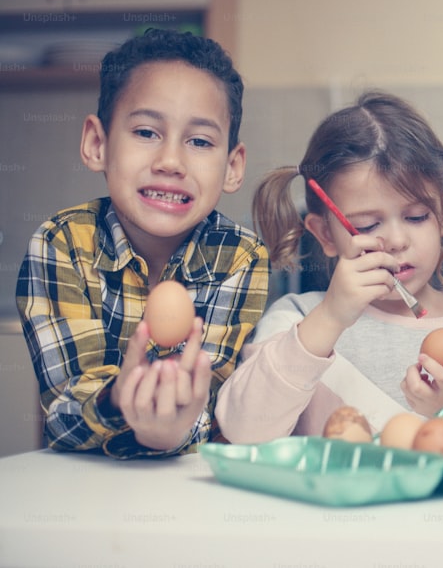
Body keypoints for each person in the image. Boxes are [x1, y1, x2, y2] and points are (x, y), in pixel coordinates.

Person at [215, 90, 443, 442]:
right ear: (326, 235)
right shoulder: (296, 320)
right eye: (366, 226)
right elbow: (244, 430)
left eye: (416, 216)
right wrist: (330, 318)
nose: (396, 240)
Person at [16, 29, 270, 458]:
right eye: (147, 132)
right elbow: (63, 415)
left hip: (190, 488)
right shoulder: (62, 245)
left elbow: (213, 406)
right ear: (97, 144)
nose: (170, 162)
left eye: (200, 142)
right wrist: (119, 399)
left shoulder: (240, 257)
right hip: (79, 485)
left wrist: (175, 427)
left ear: (231, 167)